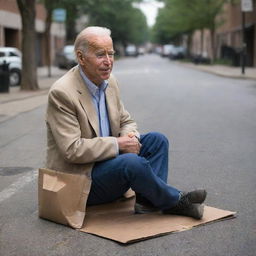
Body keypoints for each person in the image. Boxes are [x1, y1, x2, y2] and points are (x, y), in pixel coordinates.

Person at [46, 26, 207, 221]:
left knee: (158, 140)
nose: (108, 61)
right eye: (100, 55)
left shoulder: (109, 81)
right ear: (81, 58)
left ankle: (147, 201)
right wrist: (118, 145)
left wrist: (128, 137)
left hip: (110, 165)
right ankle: (176, 201)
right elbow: (72, 149)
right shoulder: (62, 93)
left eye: (111, 54)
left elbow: (126, 121)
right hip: (83, 182)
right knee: (132, 162)